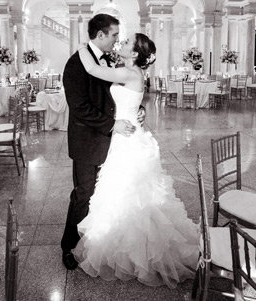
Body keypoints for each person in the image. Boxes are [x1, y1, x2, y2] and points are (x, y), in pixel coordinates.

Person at [72, 33, 199, 289]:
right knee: (122, 192)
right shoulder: (129, 71)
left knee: (127, 192)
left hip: (127, 140)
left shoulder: (130, 74)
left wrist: (83, 47)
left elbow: (91, 68)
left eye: (127, 42)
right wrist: (139, 112)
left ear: (135, 53)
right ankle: (125, 247)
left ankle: (133, 253)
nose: (122, 43)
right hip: (126, 133)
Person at [60, 14, 137, 271]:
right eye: (114, 35)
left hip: (112, 141)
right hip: (87, 142)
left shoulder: (109, 60)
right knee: (83, 194)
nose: (117, 40)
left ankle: (94, 241)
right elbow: (80, 107)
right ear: (101, 35)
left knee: (104, 194)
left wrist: (135, 110)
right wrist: (113, 124)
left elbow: (117, 94)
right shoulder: (75, 64)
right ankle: (69, 246)